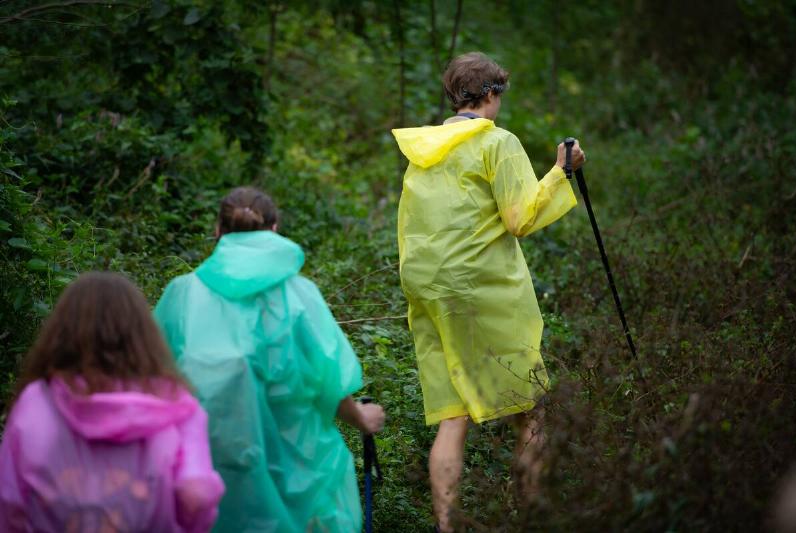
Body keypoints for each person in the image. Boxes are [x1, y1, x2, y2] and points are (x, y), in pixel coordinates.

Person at [392, 51, 586, 531]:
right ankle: (534, 516)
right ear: (491, 94)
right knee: (530, 411)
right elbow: (519, 218)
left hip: (429, 288)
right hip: (480, 288)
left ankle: (445, 525)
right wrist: (561, 171)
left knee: (452, 416)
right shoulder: (496, 143)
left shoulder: (424, 149)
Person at [154, 186, 385, 533]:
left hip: (212, 469)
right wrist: (362, 419)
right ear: (275, 230)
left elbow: (152, 379)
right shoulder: (300, 295)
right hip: (299, 474)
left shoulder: (182, 294)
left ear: (217, 231)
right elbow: (329, 383)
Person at [0, 272, 224, 532]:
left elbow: (10, 501)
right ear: (143, 334)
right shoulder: (175, 404)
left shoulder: (36, 400)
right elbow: (196, 494)